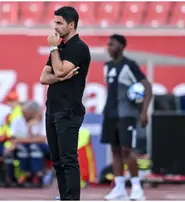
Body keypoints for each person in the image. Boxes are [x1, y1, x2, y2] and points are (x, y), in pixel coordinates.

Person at [39, 6, 91, 200]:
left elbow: (59, 70)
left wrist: (54, 51)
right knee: (57, 160)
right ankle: (64, 196)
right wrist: (61, 75)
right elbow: (44, 77)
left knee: (68, 159)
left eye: (59, 23)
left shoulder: (78, 47)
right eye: (54, 22)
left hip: (68, 110)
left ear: (71, 24)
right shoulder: (60, 48)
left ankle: (72, 199)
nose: (55, 27)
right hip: (52, 109)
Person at [100, 34, 153, 200]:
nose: (109, 48)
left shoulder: (129, 65)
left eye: (112, 45)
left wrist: (144, 111)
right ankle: (119, 187)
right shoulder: (107, 66)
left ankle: (137, 188)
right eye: (108, 45)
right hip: (110, 114)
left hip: (126, 115)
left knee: (127, 150)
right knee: (115, 151)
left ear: (122, 47)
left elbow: (147, 86)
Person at [8, 101, 49, 188]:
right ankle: (24, 175)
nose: (24, 116)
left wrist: (20, 139)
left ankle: (36, 175)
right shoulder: (18, 120)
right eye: (23, 113)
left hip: (47, 147)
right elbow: (13, 139)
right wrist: (29, 132)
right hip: (27, 146)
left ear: (34, 113)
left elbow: (42, 139)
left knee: (34, 147)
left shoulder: (45, 118)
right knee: (23, 148)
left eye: (27, 114)